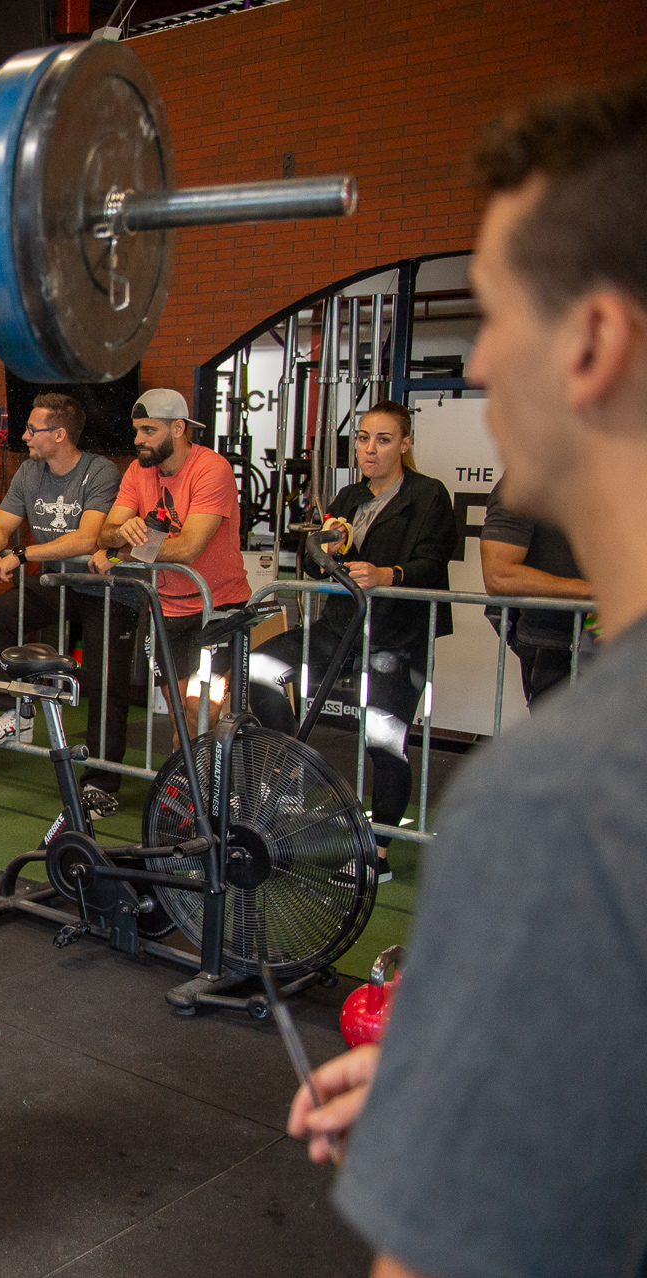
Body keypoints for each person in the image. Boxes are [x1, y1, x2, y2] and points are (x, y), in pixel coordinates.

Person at [286, 77, 647, 1278]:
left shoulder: (568, 800)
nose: (482, 359)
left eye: (493, 315)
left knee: (389, 741)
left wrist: (468, 1113)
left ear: (592, 343)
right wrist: (506, 1051)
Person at [248, 401, 454, 879]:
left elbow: (433, 560)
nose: (369, 449)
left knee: (384, 741)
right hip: (342, 626)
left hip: (398, 635)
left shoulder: (427, 495)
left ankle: (375, 854)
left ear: (405, 443)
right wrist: (327, 549)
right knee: (259, 667)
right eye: (363, 438)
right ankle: (292, 763)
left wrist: (387, 573)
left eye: (382, 440)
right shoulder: (348, 497)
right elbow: (315, 552)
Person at [0, 394, 133, 814]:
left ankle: (101, 784)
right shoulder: (30, 471)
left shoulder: (99, 471)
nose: (24, 435)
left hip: (104, 589)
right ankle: (16, 712)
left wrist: (22, 555)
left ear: (59, 434)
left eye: (33, 429)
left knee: (105, 686)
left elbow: (88, 539)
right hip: (58, 581)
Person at [92, 388, 251, 726]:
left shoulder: (211, 468)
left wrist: (120, 552)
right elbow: (105, 534)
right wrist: (121, 535)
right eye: (137, 430)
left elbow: (187, 549)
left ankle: (214, 777)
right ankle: (183, 779)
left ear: (178, 428)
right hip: (168, 610)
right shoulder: (138, 471)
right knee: (180, 713)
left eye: (149, 430)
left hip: (217, 609)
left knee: (200, 710)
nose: (139, 439)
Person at [480, 479, 592, 704]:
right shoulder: (528, 479)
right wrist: (600, 595)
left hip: (628, 638)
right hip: (554, 641)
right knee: (564, 736)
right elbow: (499, 576)